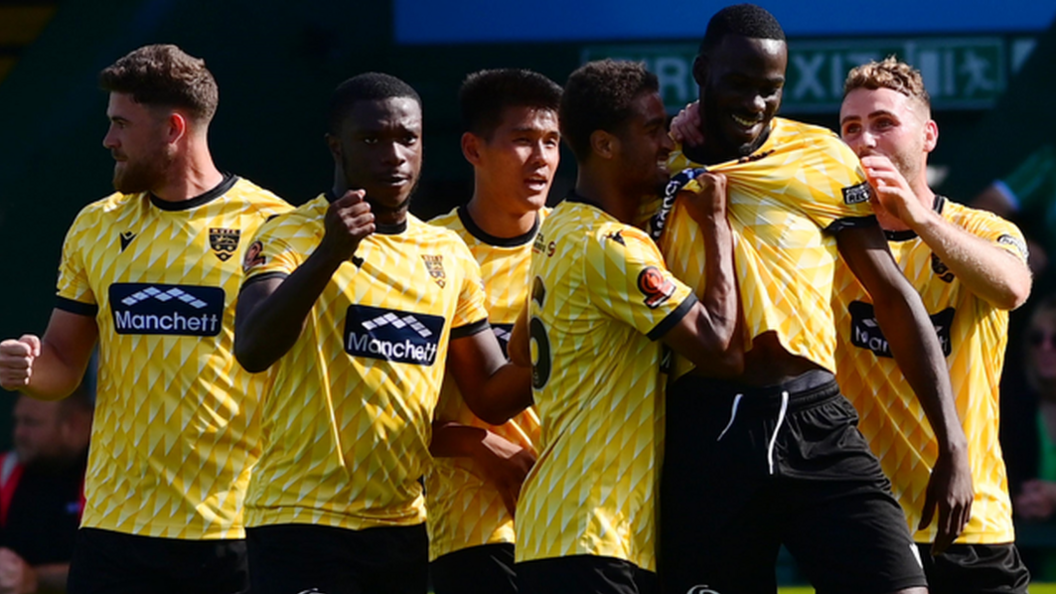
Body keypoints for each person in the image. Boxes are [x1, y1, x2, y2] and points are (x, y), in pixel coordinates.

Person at [656, 5, 971, 594]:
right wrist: (674, 137)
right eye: (738, 85)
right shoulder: (657, 161)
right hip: (705, 429)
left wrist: (952, 442)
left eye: (770, 89)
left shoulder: (825, 157)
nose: (755, 103)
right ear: (701, 72)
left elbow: (894, 296)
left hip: (817, 417)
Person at [0, 44, 290, 594]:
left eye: (120, 125)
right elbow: (62, 361)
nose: (108, 140)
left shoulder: (271, 225)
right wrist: (28, 368)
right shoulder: (95, 226)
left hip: (234, 525)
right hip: (115, 525)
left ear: (173, 129)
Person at [233, 72, 530, 594]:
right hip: (302, 521)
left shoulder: (445, 253)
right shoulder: (290, 234)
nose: (393, 154)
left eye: (406, 138)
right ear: (336, 147)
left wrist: (552, 330)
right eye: (372, 139)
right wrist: (329, 253)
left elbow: (490, 392)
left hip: (402, 528)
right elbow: (253, 348)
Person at [513, 58, 741, 594]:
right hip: (591, 530)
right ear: (605, 144)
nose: (666, 144)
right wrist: (716, 227)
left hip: (570, 528)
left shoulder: (561, 228)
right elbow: (722, 350)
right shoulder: (609, 247)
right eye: (652, 129)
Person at [832, 57, 1032, 593]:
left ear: (929, 135)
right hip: (870, 522)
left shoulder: (982, 229)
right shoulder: (827, 245)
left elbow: (1012, 287)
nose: (865, 140)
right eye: (851, 128)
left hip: (973, 519)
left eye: (883, 123)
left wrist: (919, 219)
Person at [425, 68, 561, 594]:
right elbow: (382, 404)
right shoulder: (427, 251)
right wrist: (478, 443)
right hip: (470, 526)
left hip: (573, 517)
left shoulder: (579, 242)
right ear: (473, 149)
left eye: (550, 142)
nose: (542, 159)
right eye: (522, 141)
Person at [0, 389, 92, 594]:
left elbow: (109, 568)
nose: (19, 433)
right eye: (17, 421)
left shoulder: (102, 481)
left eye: (31, 423)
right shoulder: (7, 470)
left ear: (74, 425)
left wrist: (34, 578)